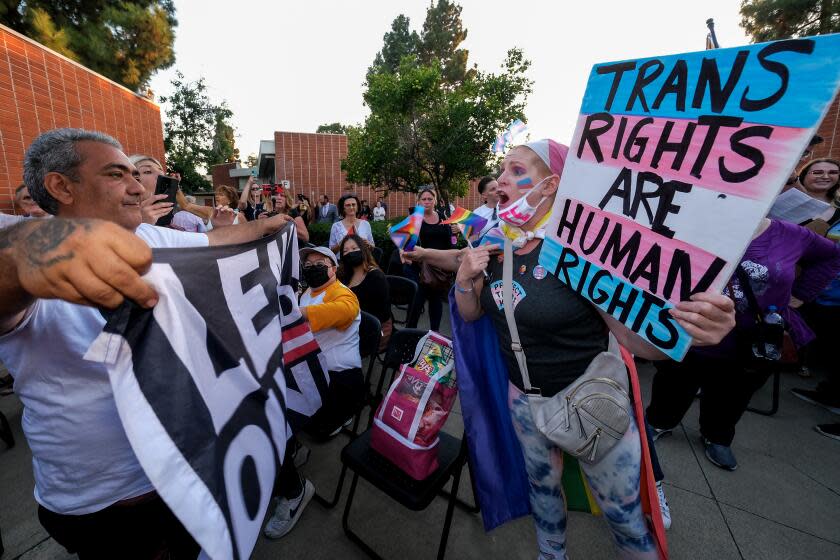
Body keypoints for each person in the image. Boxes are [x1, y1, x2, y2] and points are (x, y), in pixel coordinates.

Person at [0, 128, 293, 558]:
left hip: (184, 474)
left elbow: (212, 241)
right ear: (61, 186)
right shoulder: (35, 255)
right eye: (117, 174)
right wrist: (30, 250)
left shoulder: (150, 237)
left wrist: (268, 226)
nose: (138, 186)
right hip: (108, 507)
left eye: (137, 174)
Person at [453, 139, 735, 559]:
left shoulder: (586, 252)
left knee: (621, 513)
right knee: (542, 490)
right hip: (523, 403)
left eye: (515, 171)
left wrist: (687, 332)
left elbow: (636, 340)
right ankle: (551, 553)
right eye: (502, 171)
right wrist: (463, 275)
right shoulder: (495, 242)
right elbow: (473, 314)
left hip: (590, 403)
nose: (500, 182)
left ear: (549, 186)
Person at [647, 216, 840, 469]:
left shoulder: (792, 235)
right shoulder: (687, 220)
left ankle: (717, 437)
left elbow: (832, 257)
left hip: (752, 339)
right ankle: (660, 421)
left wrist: (801, 294)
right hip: (689, 331)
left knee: (735, 392)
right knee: (674, 381)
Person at [263, 245, 362, 539]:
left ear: (334, 268)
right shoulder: (305, 293)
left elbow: (344, 311)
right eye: (308, 263)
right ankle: (291, 450)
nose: (313, 266)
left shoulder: (344, 295)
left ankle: (294, 491)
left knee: (268, 419)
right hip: (305, 376)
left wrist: (292, 313)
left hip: (338, 385)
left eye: (321, 263)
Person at [405, 187, 456, 332]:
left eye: (430, 199)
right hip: (419, 269)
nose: (427, 202)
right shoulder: (414, 219)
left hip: (438, 268)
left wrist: (454, 233)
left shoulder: (444, 218)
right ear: (419, 202)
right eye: (424, 199)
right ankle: (410, 337)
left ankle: (435, 336)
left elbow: (451, 243)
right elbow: (406, 245)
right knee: (416, 304)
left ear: (435, 201)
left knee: (436, 303)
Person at [336, 233, 392, 350]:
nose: (350, 252)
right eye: (345, 251)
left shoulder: (376, 277)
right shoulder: (345, 275)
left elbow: (380, 315)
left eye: (354, 248)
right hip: (351, 326)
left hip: (373, 331)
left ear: (363, 250)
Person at [796, 157, 840, 226]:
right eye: (817, 172)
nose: (825, 177)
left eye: (833, 172)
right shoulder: (781, 199)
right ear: (803, 175)